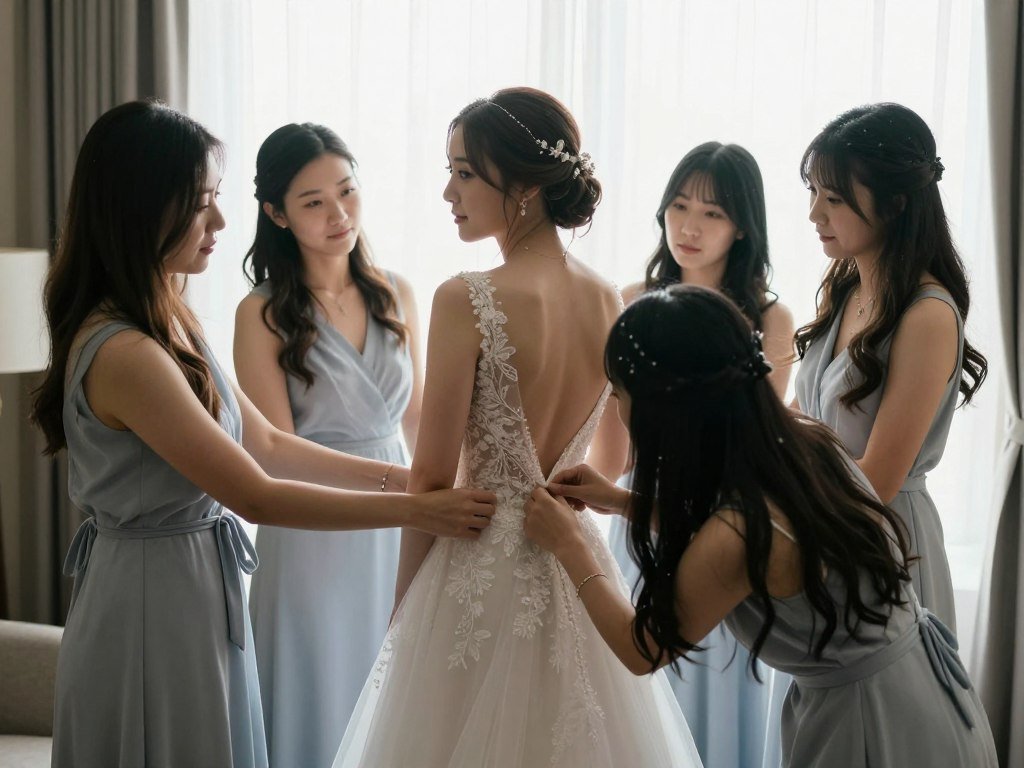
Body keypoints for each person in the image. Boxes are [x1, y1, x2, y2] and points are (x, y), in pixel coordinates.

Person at [31, 100, 495, 768]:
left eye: (216, 198)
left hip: (196, 583)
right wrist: (421, 508)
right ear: (141, 207)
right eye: (200, 203)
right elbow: (258, 493)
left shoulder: (175, 320)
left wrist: (411, 477)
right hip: (147, 596)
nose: (220, 221)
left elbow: (269, 445)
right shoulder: (125, 352)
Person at [334, 87, 702, 767]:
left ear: (525, 185)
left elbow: (431, 482)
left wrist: (403, 616)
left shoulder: (465, 298)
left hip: (475, 556)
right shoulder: (611, 301)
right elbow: (613, 457)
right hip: (575, 552)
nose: (448, 191)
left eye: (465, 173)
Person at [524, 285, 997, 768]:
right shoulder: (808, 442)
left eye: (620, 394)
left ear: (666, 406)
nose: (620, 413)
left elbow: (644, 648)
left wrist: (570, 546)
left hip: (872, 725)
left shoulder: (741, 532)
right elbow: (758, 539)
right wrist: (622, 500)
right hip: (926, 696)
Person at [234, 123, 423, 768]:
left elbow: (420, 421)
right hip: (312, 526)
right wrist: (399, 484)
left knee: (395, 687)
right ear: (275, 213)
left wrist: (449, 498)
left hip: (401, 524)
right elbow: (273, 450)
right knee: (318, 691)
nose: (339, 214)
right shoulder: (261, 313)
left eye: (347, 191)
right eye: (313, 201)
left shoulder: (399, 292)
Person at [612, 142, 793, 767]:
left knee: (717, 683)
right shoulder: (632, 298)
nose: (688, 226)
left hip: (728, 522)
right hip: (641, 508)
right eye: (678, 206)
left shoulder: (769, 317)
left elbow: (760, 446)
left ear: (743, 225)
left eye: (712, 213)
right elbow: (616, 445)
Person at [794, 102, 988, 632]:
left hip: (882, 542)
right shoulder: (844, 289)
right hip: (821, 528)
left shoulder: (927, 315)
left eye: (833, 198)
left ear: (895, 203)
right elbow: (793, 421)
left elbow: (876, 479)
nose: (815, 214)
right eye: (812, 193)